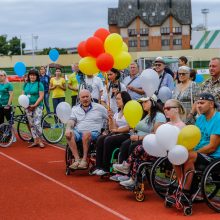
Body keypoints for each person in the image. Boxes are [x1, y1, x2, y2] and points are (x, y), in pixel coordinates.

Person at [114, 99, 185, 187]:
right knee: (138, 152)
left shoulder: (181, 126)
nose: (165, 110)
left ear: (176, 109)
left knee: (138, 148)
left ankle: (129, 170)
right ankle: (133, 177)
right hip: (159, 149)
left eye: (168, 108)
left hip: (168, 153)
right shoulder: (167, 123)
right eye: (164, 108)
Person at [166, 93, 220, 206]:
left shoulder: (218, 119)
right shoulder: (200, 119)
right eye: (198, 103)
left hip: (214, 157)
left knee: (188, 156)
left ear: (211, 104)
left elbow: (212, 147)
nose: (198, 106)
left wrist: (192, 152)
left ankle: (185, 193)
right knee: (176, 154)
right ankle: (180, 187)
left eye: (202, 103)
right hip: (200, 153)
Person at [110, 94, 166, 182]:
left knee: (133, 146)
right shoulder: (144, 115)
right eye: (142, 102)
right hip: (137, 137)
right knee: (125, 144)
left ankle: (130, 174)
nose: (143, 104)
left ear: (153, 102)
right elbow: (134, 126)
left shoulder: (159, 116)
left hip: (149, 141)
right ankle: (122, 172)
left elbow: (156, 134)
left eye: (146, 102)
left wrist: (139, 137)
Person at [65, 89, 108, 169]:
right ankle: (77, 159)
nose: (85, 99)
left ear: (90, 97)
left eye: (87, 96)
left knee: (86, 134)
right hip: (78, 131)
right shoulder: (75, 109)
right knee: (69, 134)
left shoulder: (99, 108)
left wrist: (107, 130)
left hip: (94, 133)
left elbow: (110, 118)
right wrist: (68, 128)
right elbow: (71, 121)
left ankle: (84, 160)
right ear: (79, 99)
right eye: (83, 97)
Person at [93, 91, 131, 176]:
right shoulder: (118, 113)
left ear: (124, 99)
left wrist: (117, 130)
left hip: (127, 134)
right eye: (116, 99)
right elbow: (112, 128)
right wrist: (110, 119)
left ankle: (106, 168)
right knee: (100, 138)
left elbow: (130, 127)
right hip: (117, 133)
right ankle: (99, 166)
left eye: (118, 99)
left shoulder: (129, 111)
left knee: (108, 140)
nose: (116, 101)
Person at [23, 69, 45, 148]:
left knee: (37, 123)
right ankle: (35, 140)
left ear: (36, 76)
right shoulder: (26, 84)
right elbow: (23, 96)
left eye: (34, 75)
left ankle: (41, 140)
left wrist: (35, 105)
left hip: (38, 106)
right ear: (28, 76)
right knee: (31, 124)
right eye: (31, 75)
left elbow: (41, 96)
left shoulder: (39, 84)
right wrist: (26, 105)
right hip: (28, 107)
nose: (32, 76)